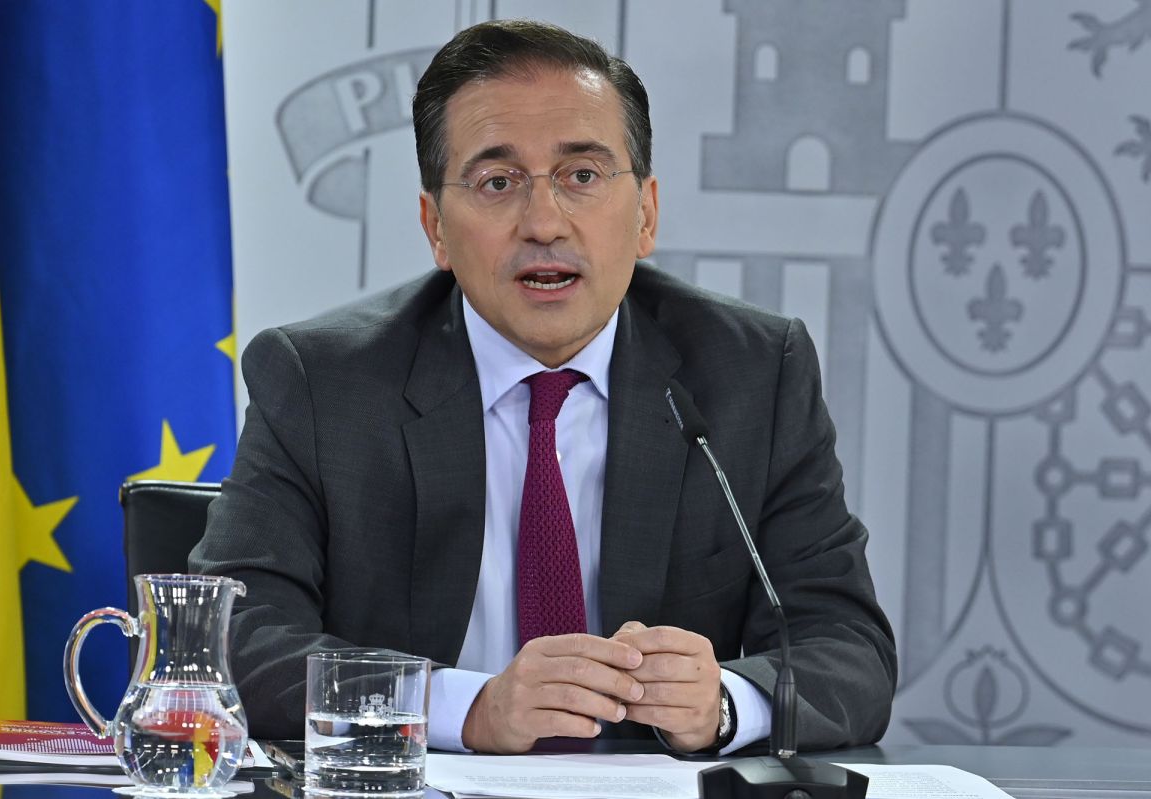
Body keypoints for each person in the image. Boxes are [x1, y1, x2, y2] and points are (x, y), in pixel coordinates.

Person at [190, 19, 896, 755]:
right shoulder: (323, 383)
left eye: (581, 175)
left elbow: (849, 649)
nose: (544, 222)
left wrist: (722, 701)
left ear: (646, 213)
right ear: (436, 227)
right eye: (498, 183)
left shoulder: (752, 372)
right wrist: (466, 708)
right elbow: (234, 639)